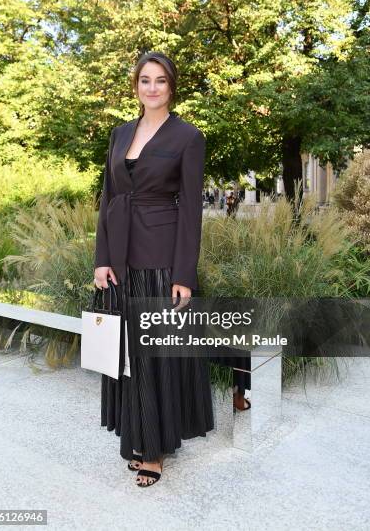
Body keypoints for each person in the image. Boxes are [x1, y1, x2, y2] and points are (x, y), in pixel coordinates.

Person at [93, 52, 214, 487]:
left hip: (162, 259)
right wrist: (101, 259)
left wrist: (184, 273)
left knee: (155, 355)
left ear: (171, 86)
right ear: (136, 86)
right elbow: (107, 199)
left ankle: (156, 449)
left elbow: (192, 212)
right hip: (121, 259)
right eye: (145, 80)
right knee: (128, 353)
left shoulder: (187, 136)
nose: (152, 88)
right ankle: (137, 436)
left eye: (160, 81)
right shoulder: (120, 133)